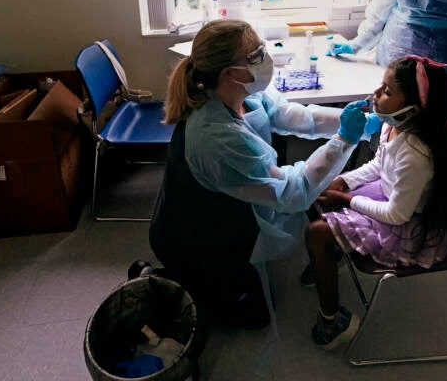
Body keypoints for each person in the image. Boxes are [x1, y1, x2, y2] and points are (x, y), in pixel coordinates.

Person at [148, 19, 369, 330]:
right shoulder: (214, 135)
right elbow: (293, 192)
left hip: (222, 208)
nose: (265, 59)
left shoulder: (240, 94)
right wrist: (345, 139)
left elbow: (290, 115)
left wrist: (354, 121)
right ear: (228, 72)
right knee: (256, 317)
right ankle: (168, 279)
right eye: (255, 56)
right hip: (195, 239)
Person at [304, 55, 447, 349]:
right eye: (381, 86)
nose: (377, 94)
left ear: (413, 109)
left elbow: (396, 215)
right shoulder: (395, 126)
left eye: (388, 91)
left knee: (315, 232)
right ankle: (330, 252)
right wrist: (346, 181)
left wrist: (347, 199)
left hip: (402, 224)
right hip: (388, 195)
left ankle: (333, 322)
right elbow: (379, 165)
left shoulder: (417, 153)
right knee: (318, 192)